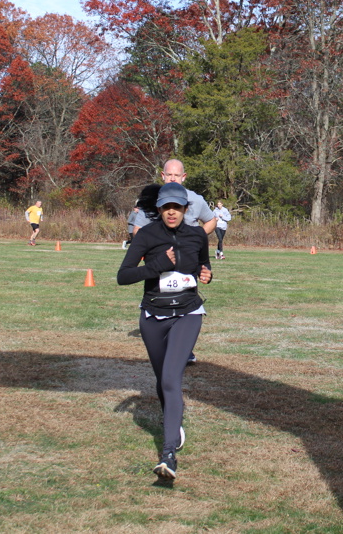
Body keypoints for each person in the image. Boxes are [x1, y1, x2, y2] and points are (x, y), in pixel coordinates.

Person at [117, 182, 212, 481]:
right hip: (153, 316)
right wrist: (155, 265)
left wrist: (206, 274)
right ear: (159, 209)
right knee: (162, 380)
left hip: (187, 313)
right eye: (166, 207)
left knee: (171, 378)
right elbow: (123, 276)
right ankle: (174, 423)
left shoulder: (197, 235)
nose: (172, 212)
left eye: (177, 207)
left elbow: (203, 266)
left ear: (185, 209)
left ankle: (168, 454)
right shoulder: (147, 235)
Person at [132, 159, 216, 365]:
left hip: (186, 265)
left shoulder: (195, 199)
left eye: (176, 175)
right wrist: (149, 247)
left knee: (186, 302)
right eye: (169, 174)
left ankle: (183, 349)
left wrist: (193, 241)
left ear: (183, 177)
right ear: (162, 176)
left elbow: (211, 220)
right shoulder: (152, 199)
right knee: (161, 300)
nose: (172, 178)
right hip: (160, 264)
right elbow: (137, 230)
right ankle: (166, 347)